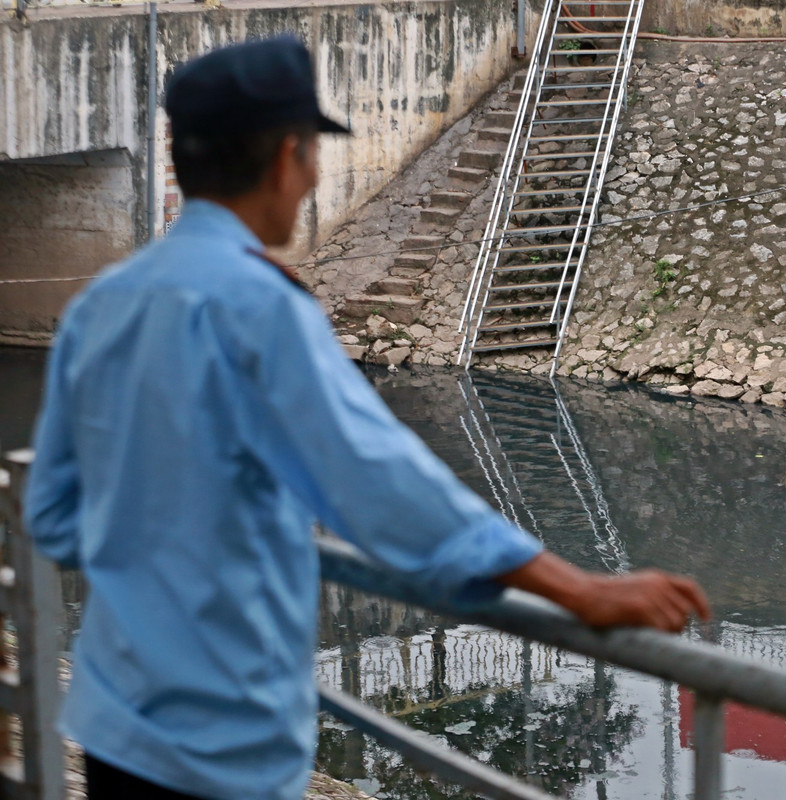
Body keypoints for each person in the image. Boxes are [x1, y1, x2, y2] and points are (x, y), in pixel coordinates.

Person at [23, 36, 709, 800]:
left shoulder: (100, 306)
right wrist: (576, 588)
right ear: (287, 156)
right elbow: (380, 481)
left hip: (115, 716)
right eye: (313, 153)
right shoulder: (260, 308)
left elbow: (52, 517)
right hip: (219, 739)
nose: (315, 176)